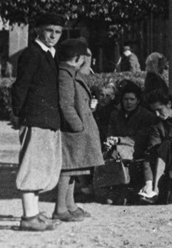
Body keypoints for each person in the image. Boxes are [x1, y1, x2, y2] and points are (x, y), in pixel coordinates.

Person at [11, 13, 65, 231]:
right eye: (49, 30)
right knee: (32, 167)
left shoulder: (49, 54)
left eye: (58, 32)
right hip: (34, 118)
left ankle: (33, 212)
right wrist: (17, 114)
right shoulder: (32, 54)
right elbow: (20, 86)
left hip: (46, 119)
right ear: (38, 31)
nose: (53, 36)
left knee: (41, 167)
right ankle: (28, 216)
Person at [55, 39, 103, 221]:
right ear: (78, 57)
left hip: (75, 128)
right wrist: (78, 125)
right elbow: (65, 104)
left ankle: (70, 205)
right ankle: (61, 208)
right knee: (67, 169)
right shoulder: (65, 74)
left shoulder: (70, 72)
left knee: (74, 169)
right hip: (70, 130)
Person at [101, 83, 158, 201]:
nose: (128, 102)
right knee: (108, 154)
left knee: (117, 154)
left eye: (132, 99)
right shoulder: (115, 115)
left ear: (138, 100)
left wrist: (119, 140)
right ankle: (109, 188)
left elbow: (141, 138)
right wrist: (110, 140)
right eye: (125, 99)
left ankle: (119, 190)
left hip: (138, 149)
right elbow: (110, 132)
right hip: (117, 150)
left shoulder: (146, 116)